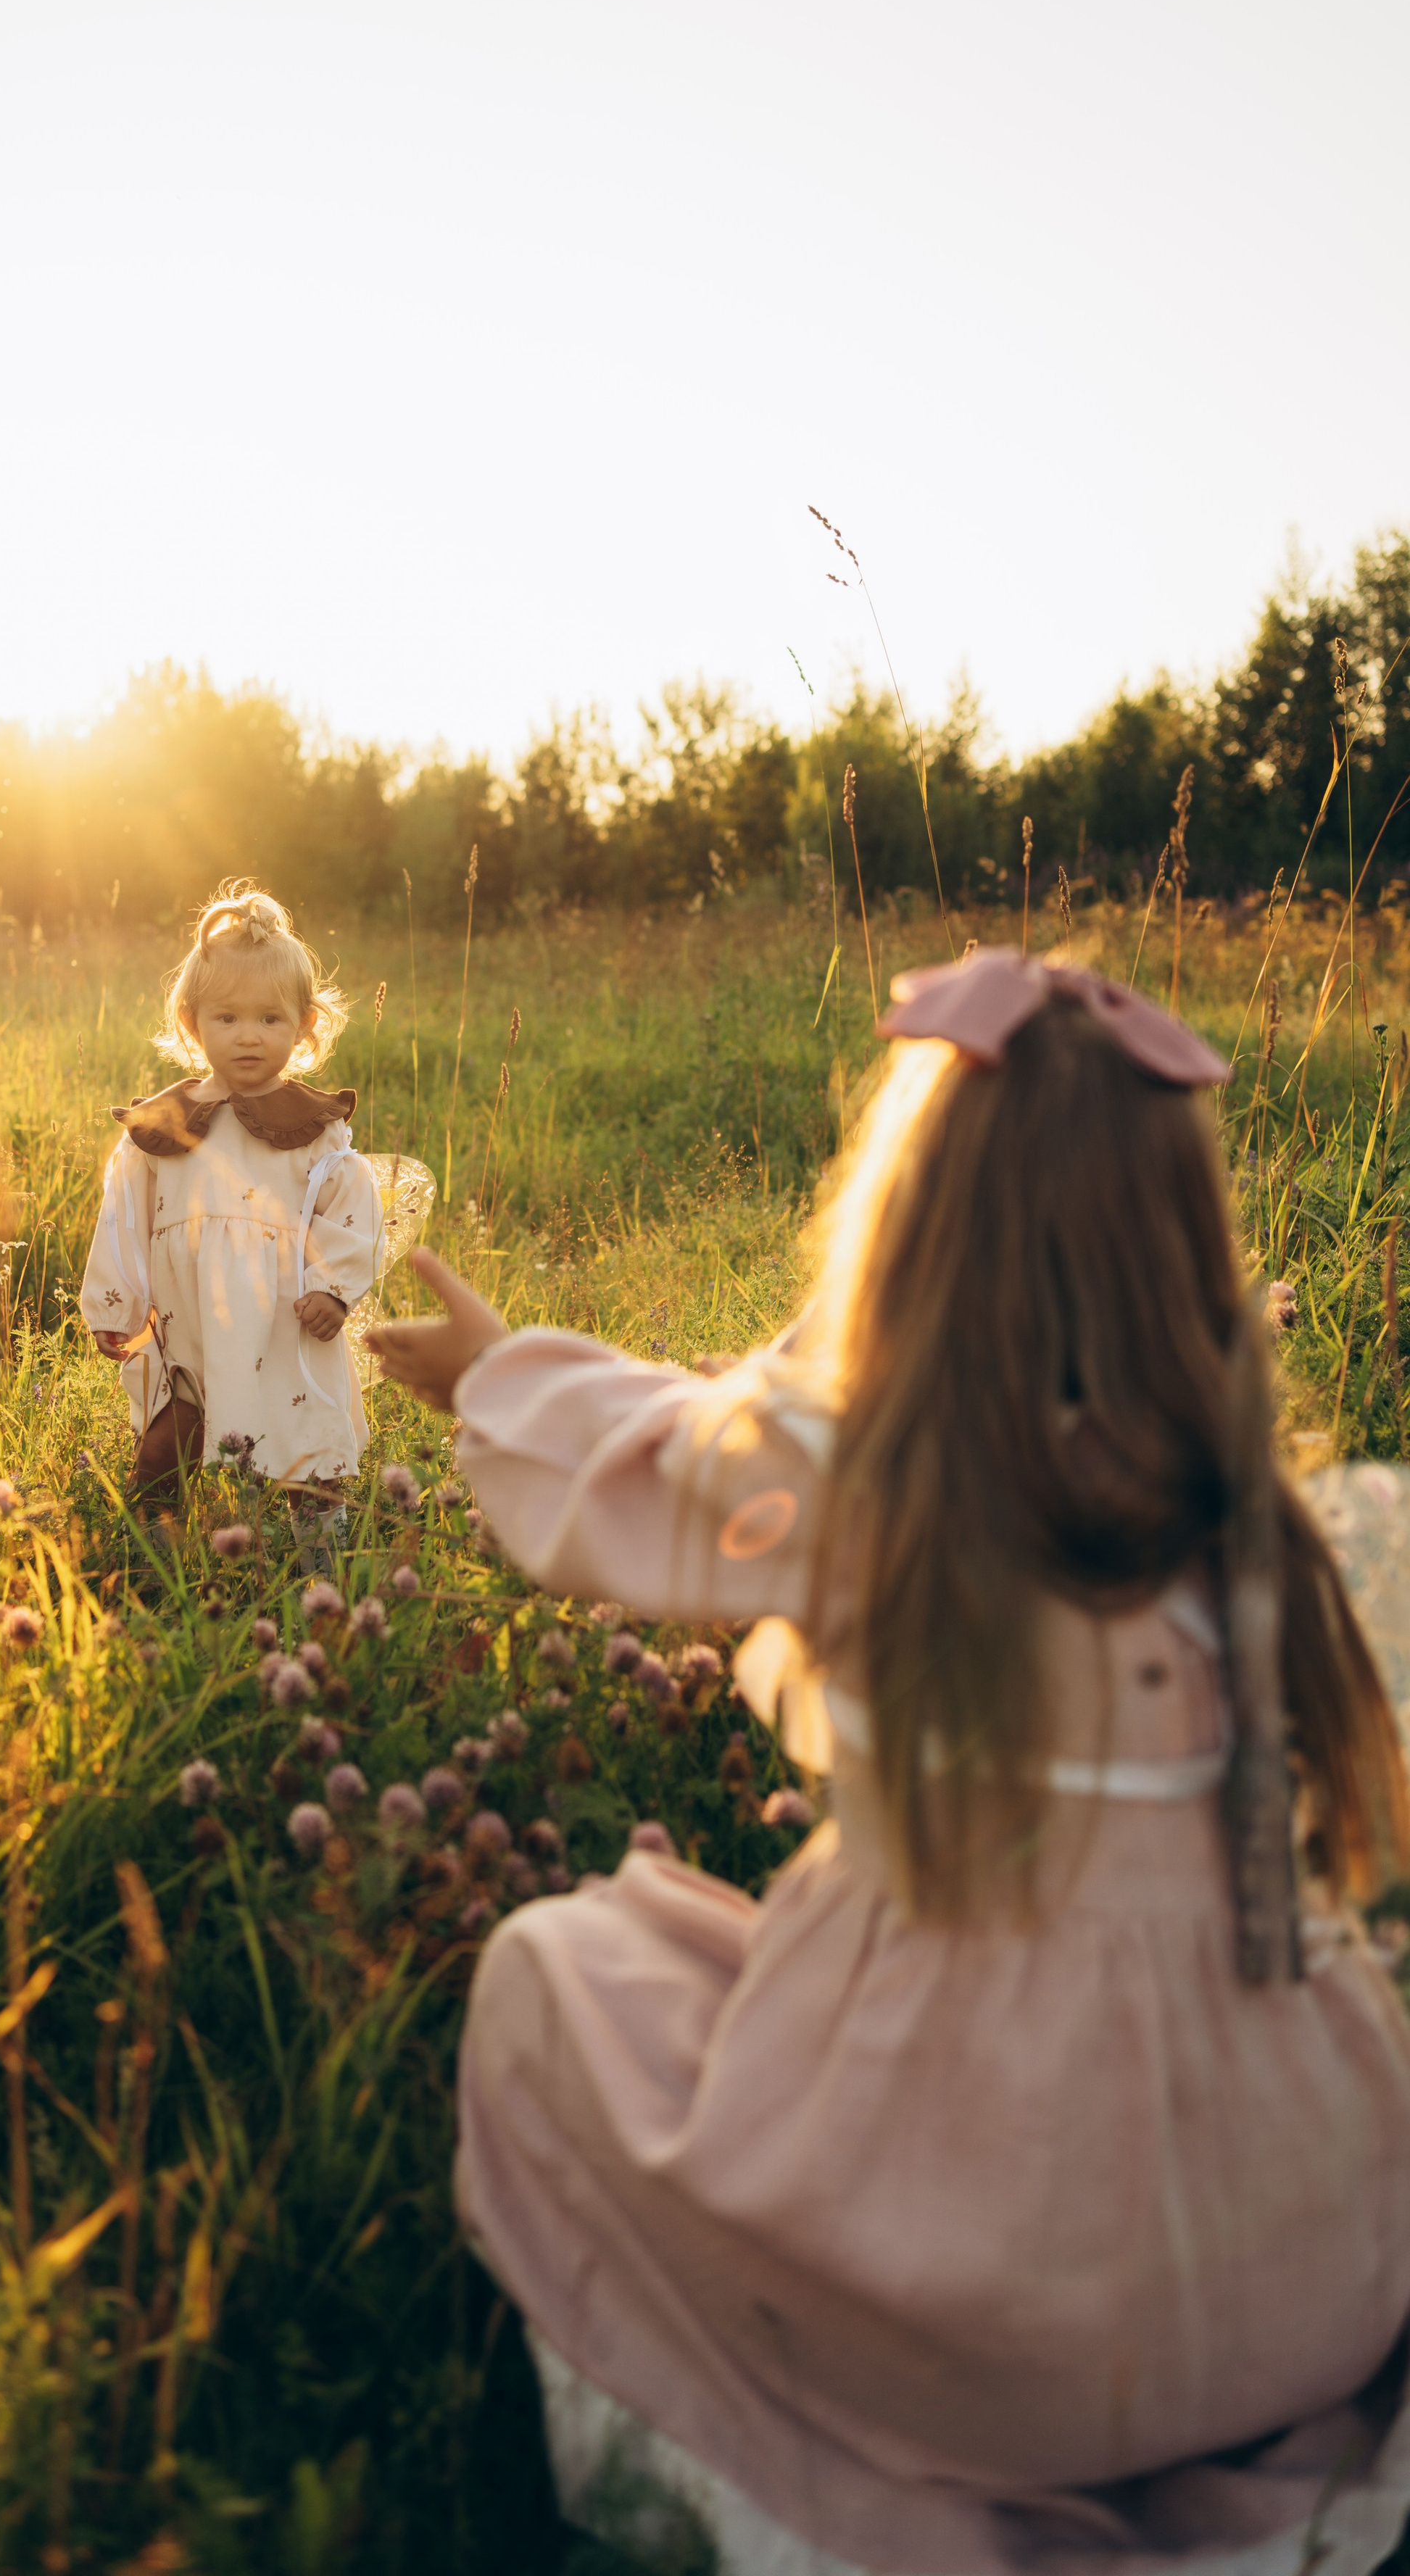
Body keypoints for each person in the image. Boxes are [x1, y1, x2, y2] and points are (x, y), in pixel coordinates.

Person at [366, 950, 1410, 2576]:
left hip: (964, 2293)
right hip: (1292, 2283)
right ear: (1177, 1245)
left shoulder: (862, 1491)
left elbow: (634, 1459)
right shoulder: (1275, 1522)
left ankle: (758, 2482)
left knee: (561, 1972)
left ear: (908, 1225)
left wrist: (494, 1371)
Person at [79, 884, 383, 1518]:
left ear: (304, 1026)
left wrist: (332, 1289)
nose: (249, 1038)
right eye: (228, 1019)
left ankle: (318, 1560)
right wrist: (117, 1303)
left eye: (270, 1019)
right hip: (186, 1323)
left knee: (302, 1447)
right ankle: (152, 1559)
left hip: (280, 1320)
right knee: (167, 1446)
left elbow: (354, 1210)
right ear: (192, 1022)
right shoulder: (165, 1125)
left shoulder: (313, 1128)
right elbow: (123, 1214)